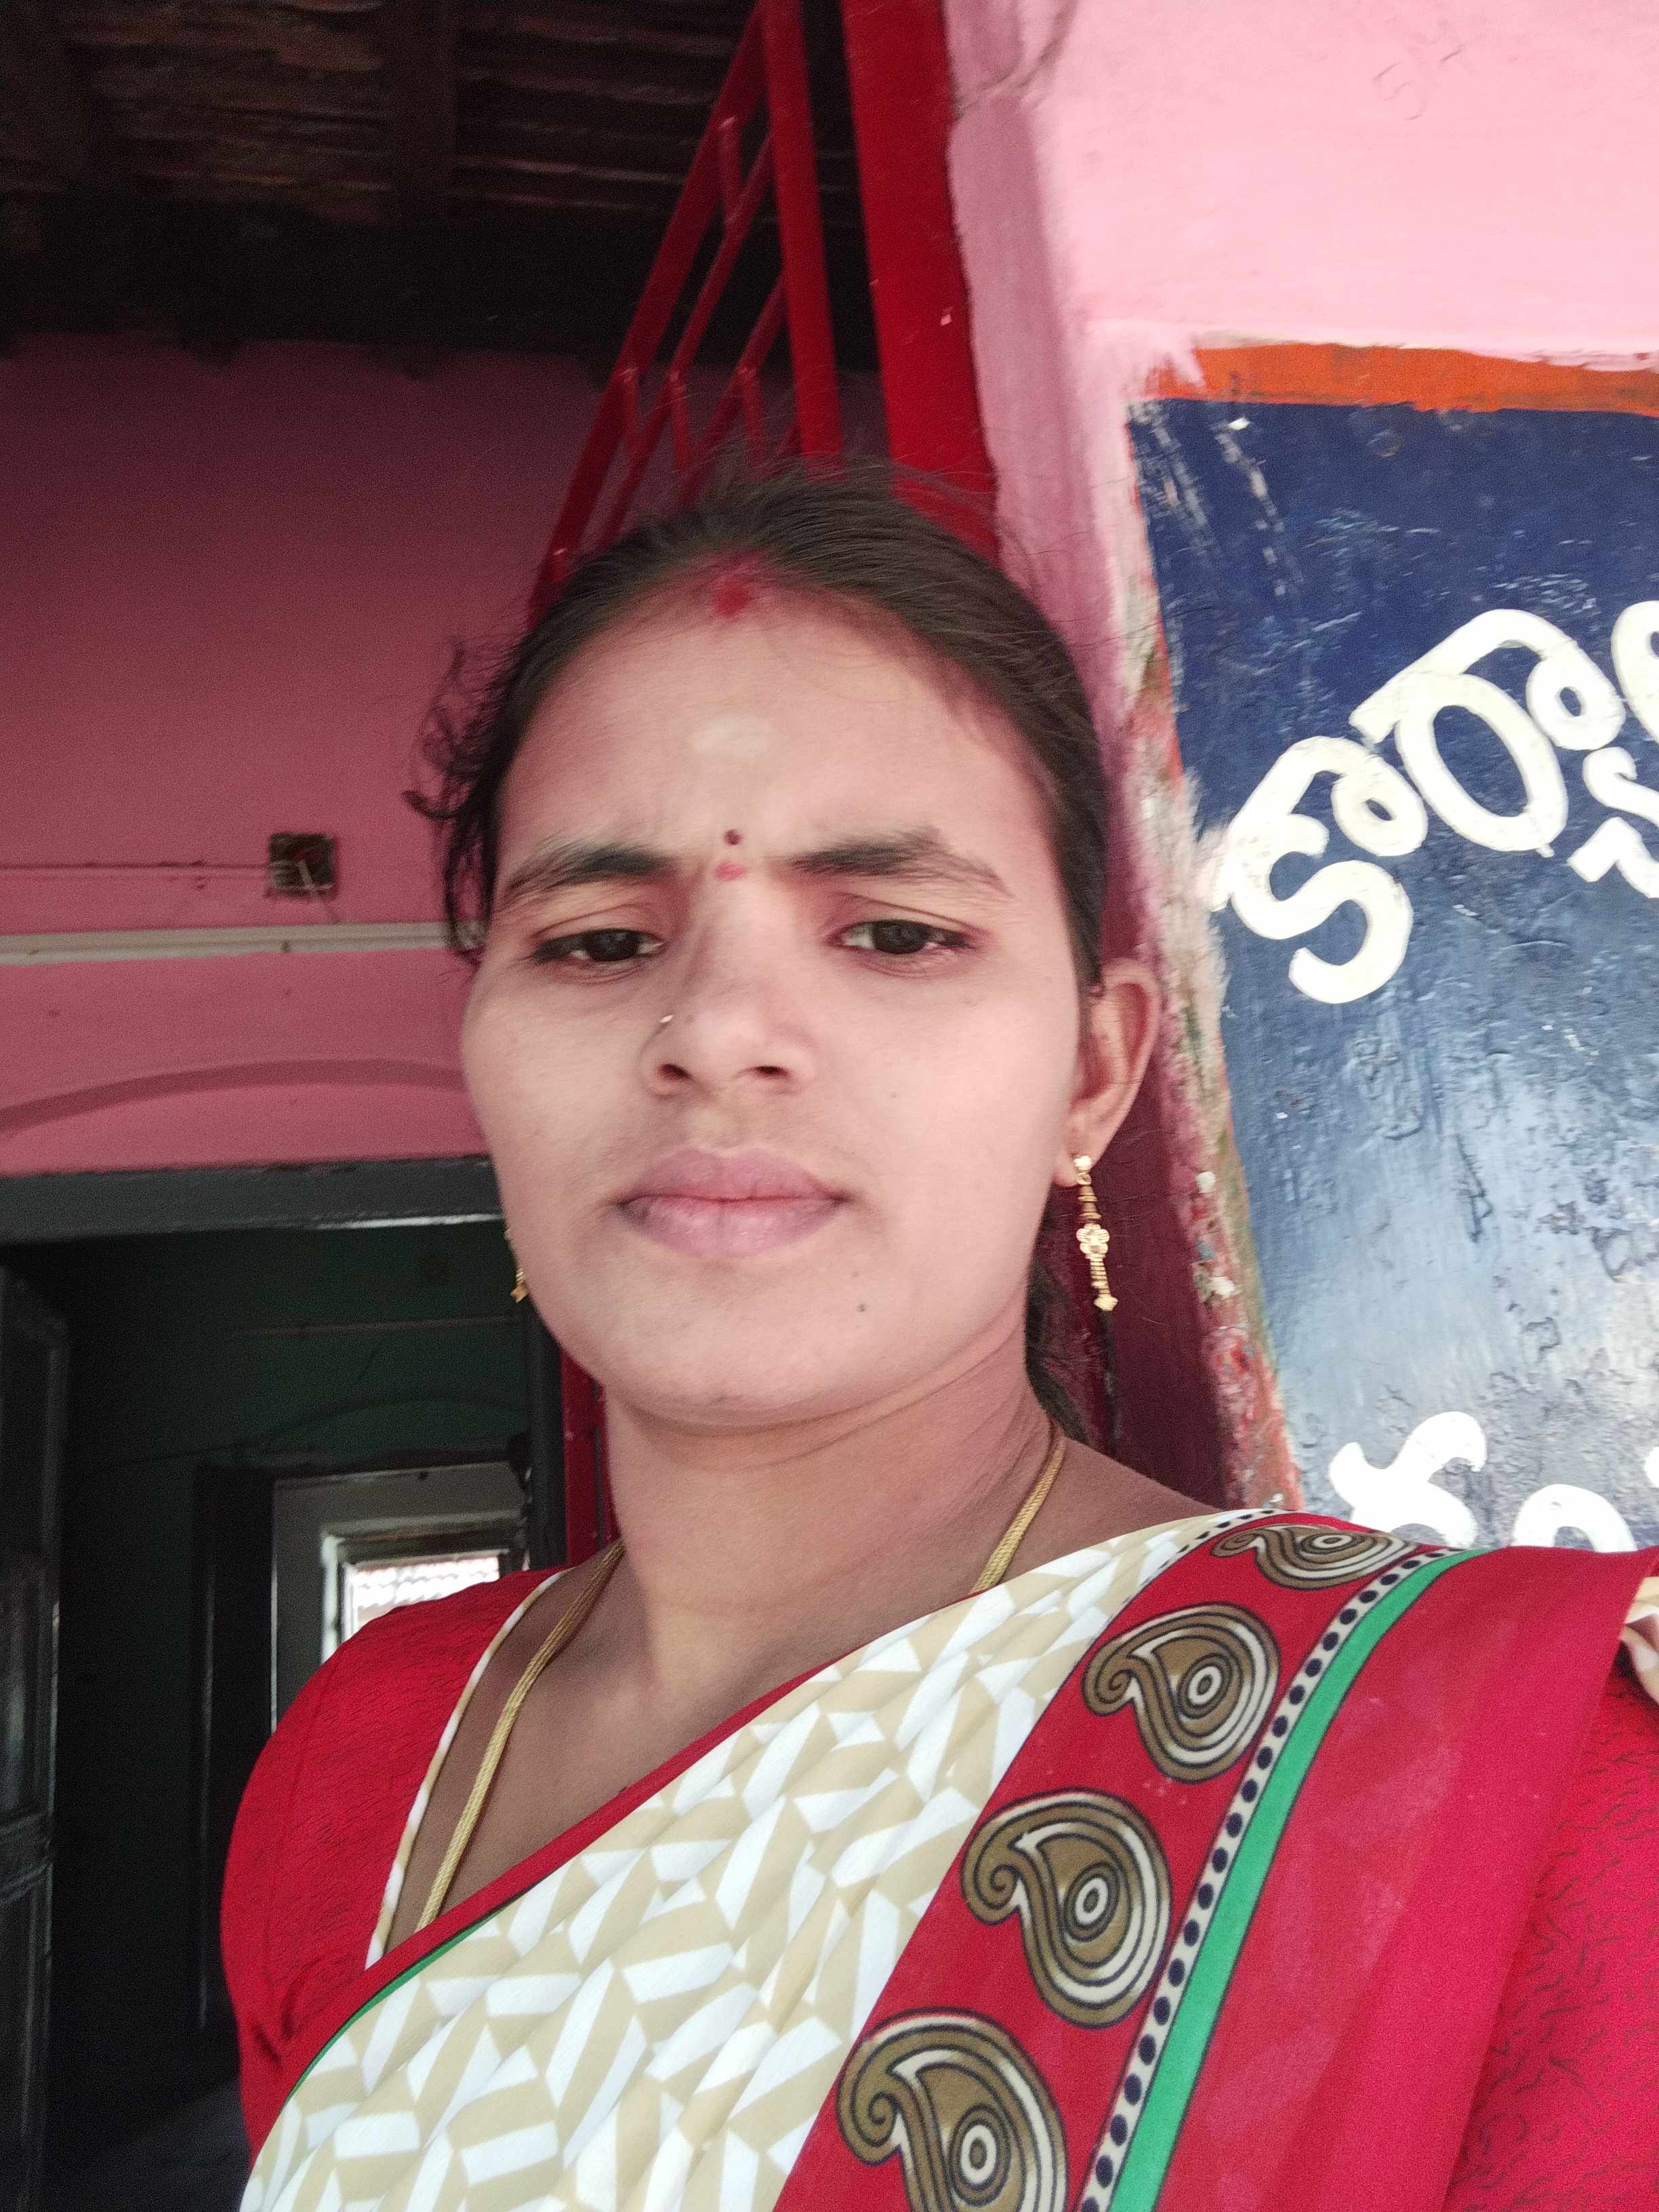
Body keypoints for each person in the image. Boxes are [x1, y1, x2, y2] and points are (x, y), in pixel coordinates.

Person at [223, 468, 1658, 2212]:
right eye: (596, 941)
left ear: (1092, 1072)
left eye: (897, 932)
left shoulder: (1521, 1796)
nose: (718, 1031)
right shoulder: (366, 1763)